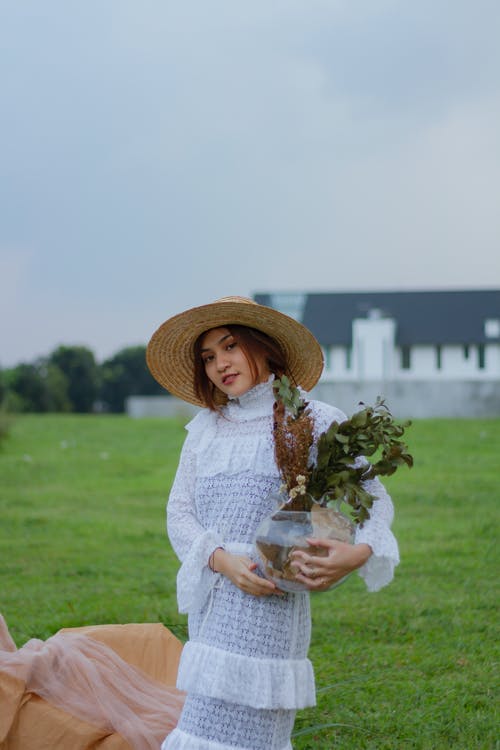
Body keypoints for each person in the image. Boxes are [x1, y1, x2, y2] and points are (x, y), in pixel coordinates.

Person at [146, 296, 399, 750]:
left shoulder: (316, 419)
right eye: (208, 357)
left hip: (273, 604)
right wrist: (221, 561)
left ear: (263, 347)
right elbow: (178, 512)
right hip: (216, 599)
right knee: (202, 729)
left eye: (229, 347)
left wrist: (357, 554)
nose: (220, 364)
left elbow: (374, 502)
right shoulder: (207, 428)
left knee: (252, 737)